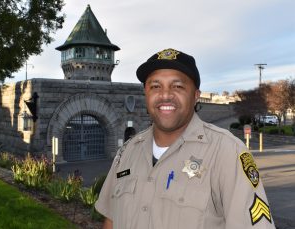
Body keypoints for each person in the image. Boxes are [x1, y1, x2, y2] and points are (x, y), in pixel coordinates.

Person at [95, 48, 275, 229]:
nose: (165, 95)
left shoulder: (227, 152)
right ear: (146, 94)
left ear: (196, 96)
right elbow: (111, 219)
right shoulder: (127, 152)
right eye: (155, 86)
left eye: (177, 86)